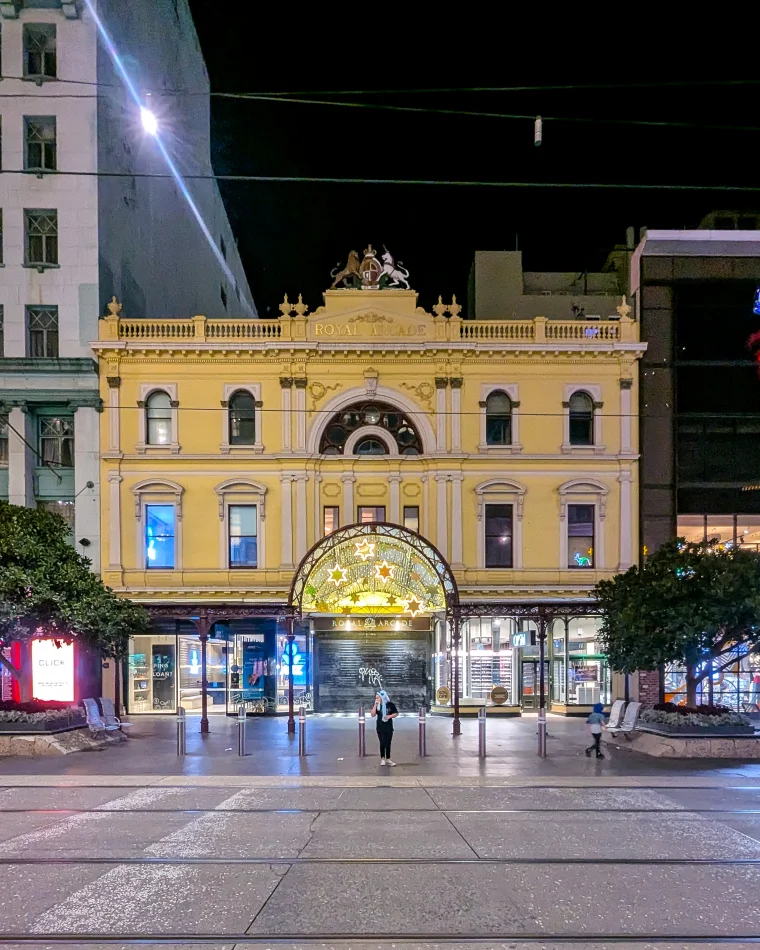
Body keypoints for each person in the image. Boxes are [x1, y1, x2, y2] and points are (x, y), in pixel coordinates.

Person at [370, 689, 398, 766]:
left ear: (382, 697)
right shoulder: (378, 707)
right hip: (380, 727)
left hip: (389, 727)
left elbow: (396, 713)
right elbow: (372, 714)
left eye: (378, 698)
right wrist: (375, 705)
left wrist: (389, 716)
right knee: (382, 742)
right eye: (376, 698)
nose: (376, 699)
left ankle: (388, 758)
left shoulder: (390, 705)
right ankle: (382, 758)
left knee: (388, 743)